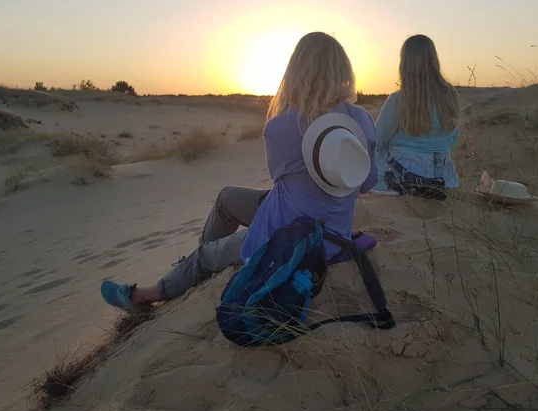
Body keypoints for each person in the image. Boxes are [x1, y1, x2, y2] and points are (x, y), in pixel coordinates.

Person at [100, 32, 378, 312]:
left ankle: (146, 294)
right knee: (227, 198)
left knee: (209, 254)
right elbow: (367, 183)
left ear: (297, 71)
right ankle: (196, 270)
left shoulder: (282, 126)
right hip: (333, 232)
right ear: (342, 71)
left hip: (290, 239)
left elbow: (278, 175)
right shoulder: (363, 120)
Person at [373, 34, 460, 192]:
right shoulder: (451, 96)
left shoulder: (398, 99)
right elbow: (453, 139)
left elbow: (377, 139)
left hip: (403, 176)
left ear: (405, 64)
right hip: (444, 178)